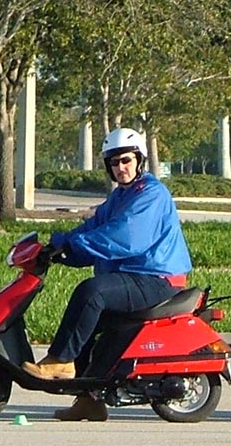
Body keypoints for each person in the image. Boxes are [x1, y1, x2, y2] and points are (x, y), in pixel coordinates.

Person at [23, 127, 193, 422]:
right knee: (85, 324)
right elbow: (95, 228)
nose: (120, 167)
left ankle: (61, 361)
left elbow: (125, 237)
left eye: (126, 160)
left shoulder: (151, 194)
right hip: (136, 276)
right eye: (114, 163)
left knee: (92, 292)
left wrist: (74, 244)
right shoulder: (121, 196)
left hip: (158, 279)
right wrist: (60, 246)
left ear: (139, 160)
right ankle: (89, 400)